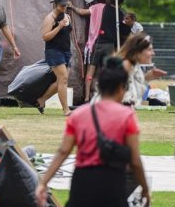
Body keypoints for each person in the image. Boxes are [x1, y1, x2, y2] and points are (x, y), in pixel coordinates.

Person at [37, 57, 150, 207]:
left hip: (82, 181)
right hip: (113, 180)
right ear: (121, 88)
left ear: (99, 87)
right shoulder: (126, 116)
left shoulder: (78, 115)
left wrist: (43, 183)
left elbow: (63, 151)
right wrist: (145, 189)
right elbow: (135, 161)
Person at [84, 0, 127, 101]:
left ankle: (86, 97)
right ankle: (103, 96)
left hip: (98, 42)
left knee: (91, 70)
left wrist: (73, 7)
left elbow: (84, 12)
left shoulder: (101, 8)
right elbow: (121, 30)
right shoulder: (120, 14)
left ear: (109, 0)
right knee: (106, 71)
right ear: (120, 4)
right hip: (110, 45)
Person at [36, 0, 73, 115]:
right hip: (54, 51)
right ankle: (66, 110)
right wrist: (59, 26)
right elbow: (45, 37)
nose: (64, 7)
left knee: (61, 81)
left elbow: (67, 34)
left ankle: (41, 100)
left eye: (65, 5)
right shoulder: (50, 18)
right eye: (62, 5)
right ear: (55, 5)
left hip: (66, 51)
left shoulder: (67, 16)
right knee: (63, 79)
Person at [116, 33, 167, 106]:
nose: (153, 53)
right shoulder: (121, 69)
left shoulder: (134, 68)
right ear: (137, 52)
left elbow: (136, 97)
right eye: (149, 50)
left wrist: (146, 78)